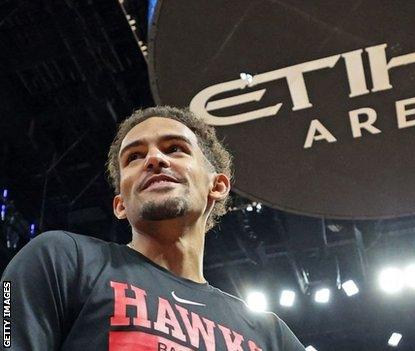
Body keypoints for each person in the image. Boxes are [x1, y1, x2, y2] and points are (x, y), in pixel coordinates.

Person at [1, 106, 306, 350]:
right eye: (134, 157)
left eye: (175, 149)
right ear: (120, 204)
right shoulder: (62, 260)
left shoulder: (270, 335)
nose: (154, 159)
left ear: (218, 185)